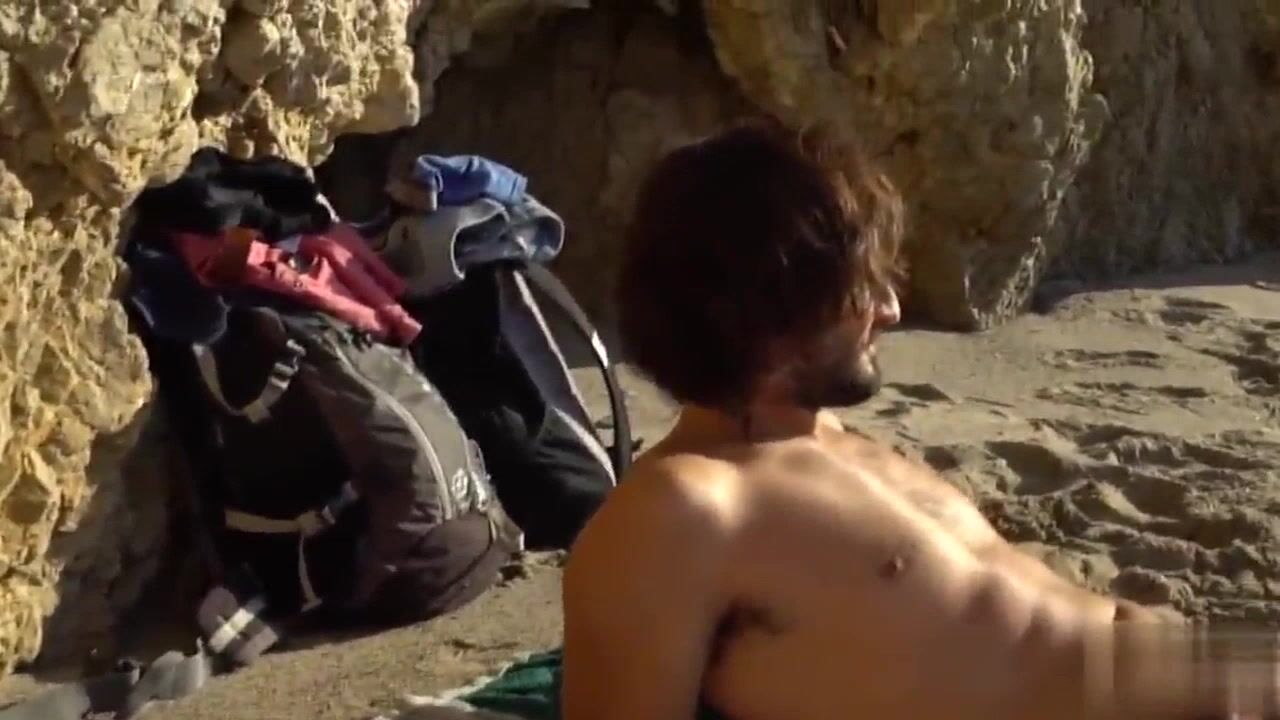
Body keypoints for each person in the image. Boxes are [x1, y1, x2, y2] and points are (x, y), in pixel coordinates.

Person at [560, 117, 1268, 720]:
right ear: (770, 309)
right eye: (859, 291)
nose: (891, 311)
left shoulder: (827, 440)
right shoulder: (680, 513)